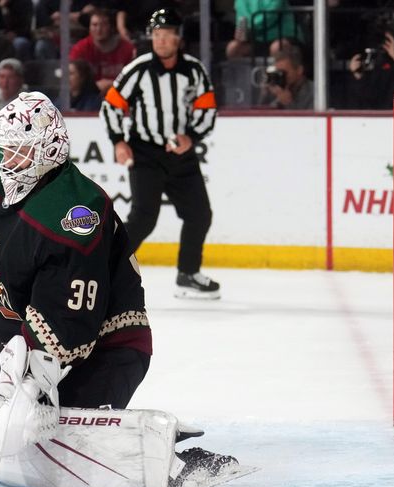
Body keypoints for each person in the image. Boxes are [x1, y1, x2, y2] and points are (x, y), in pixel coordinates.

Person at [0, 91, 243, 487]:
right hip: (18, 338)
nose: (3, 160)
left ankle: (180, 464)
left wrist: (30, 386)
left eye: (16, 152)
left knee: (41, 434)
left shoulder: (75, 213)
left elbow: (70, 325)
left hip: (106, 346)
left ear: (48, 151)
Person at [100, 8, 220, 299]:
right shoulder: (138, 69)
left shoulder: (194, 70)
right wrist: (118, 141)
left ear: (178, 38)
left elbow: (207, 110)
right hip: (145, 154)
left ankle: (188, 274)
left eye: (167, 35)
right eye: (156, 35)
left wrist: (190, 137)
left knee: (200, 214)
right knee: (143, 217)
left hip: (181, 155)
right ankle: (105, 270)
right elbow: (112, 105)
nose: (161, 40)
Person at [69, 8, 135, 95]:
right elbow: (71, 81)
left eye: (103, 25)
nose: (99, 29)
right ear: (89, 27)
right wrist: (93, 87)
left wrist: (113, 85)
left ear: (111, 27)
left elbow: (134, 80)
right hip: (88, 97)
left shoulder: (127, 48)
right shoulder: (80, 48)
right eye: (94, 25)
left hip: (120, 95)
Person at [225, 0, 302, 59]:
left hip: (283, 34)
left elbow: (271, 16)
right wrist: (242, 32)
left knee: (277, 47)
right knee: (233, 48)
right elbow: (242, 15)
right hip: (255, 38)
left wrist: (250, 27)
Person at [257, 44, 313, 110]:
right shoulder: (275, 90)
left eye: (283, 72)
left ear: (299, 70)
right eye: (277, 72)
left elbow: (310, 119)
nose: (280, 76)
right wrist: (264, 95)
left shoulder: (314, 93)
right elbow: (259, 116)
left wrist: (288, 103)